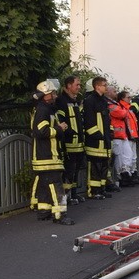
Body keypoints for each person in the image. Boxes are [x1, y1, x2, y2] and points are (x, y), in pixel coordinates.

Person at [30, 79, 74, 225]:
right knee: (56, 185)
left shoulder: (44, 108)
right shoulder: (44, 110)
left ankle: (44, 212)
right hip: (48, 156)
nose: (55, 95)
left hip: (44, 156)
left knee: (45, 185)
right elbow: (40, 131)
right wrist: (59, 128)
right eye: (53, 92)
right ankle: (60, 215)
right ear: (46, 94)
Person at [54, 75, 86, 204]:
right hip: (69, 143)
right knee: (68, 170)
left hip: (78, 143)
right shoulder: (61, 101)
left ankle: (73, 194)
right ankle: (66, 196)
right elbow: (61, 122)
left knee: (76, 170)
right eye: (76, 85)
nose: (79, 87)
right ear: (68, 85)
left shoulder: (75, 101)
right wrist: (70, 134)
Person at [82, 76, 113, 199]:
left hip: (104, 140)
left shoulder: (103, 101)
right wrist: (98, 136)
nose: (106, 87)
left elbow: (107, 120)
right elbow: (89, 121)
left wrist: (109, 133)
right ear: (97, 86)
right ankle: (94, 191)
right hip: (95, 141)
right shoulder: (90, 101)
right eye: (104, 85)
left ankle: (102, 188)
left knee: (104, 166)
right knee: (95, 166)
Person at [111, 90, 139, 187]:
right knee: (120, 158)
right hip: (117, 136)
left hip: (125, 135)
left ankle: (127, 174)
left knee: (129, 156)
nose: (130, 99)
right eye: (128, 97)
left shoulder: (125, 108)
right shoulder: (118, 107)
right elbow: (122, 114)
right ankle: (122, 177)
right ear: (122, 98)